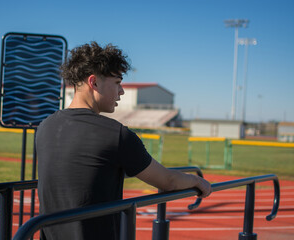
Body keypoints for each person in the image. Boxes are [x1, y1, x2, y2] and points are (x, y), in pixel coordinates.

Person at [36, 41, 212, 240]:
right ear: (93, 82)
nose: (122, 91)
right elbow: (168, 181)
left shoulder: (45, 127)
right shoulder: (116, 134)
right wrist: (198, 181)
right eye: (117, 82)